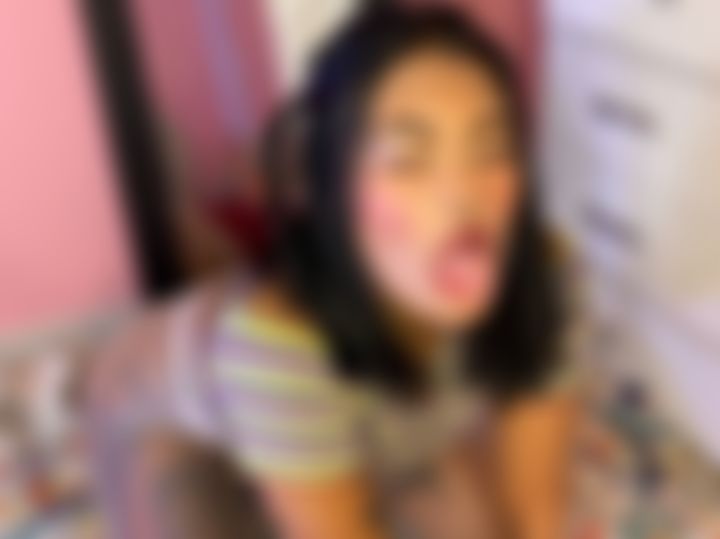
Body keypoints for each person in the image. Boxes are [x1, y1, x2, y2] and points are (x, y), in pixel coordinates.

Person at [89, 4, 578, 538]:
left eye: (491, 147)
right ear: (332, 195)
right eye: (407, 160)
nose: (464, 198)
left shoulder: (543, 278)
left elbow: (537, 514)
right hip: (167, 428)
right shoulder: (280, 347)